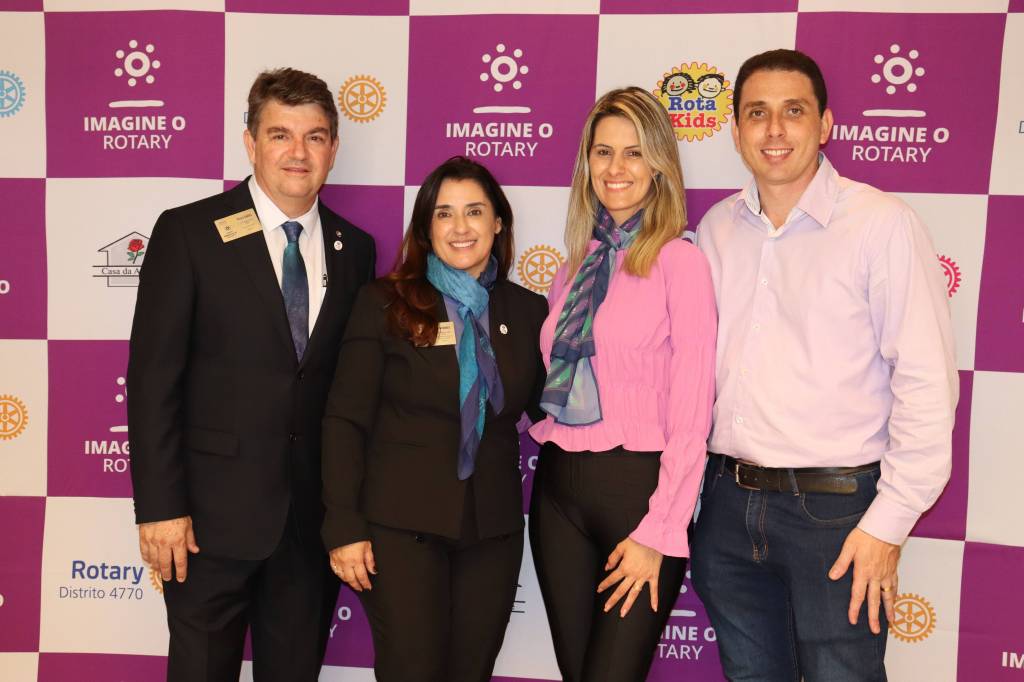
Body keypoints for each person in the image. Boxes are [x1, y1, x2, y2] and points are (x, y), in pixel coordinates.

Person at [692, 49, 958, 681]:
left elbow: (926, 381)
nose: (774, 130)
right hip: (727, 507)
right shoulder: (716, 229)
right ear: (735, 130)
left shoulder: (881, 225)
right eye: (756, 113)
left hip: (836, 514)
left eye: (793, 111)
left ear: (826, 124)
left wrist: (887, 525)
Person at [127, 67, 376, 681]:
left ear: (333, 148)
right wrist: (160, 508)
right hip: (204, 527)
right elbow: (153, 381)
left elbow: (348, 392)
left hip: (309, 529)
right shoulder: (188, 233)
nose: (298, 153)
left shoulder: (356, 250)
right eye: (279, 134)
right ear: (250, 142)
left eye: (315, 137)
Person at [320, 156, 548, 682]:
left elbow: (550, 409)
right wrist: (343, 526)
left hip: (491, 532)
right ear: (426, 227)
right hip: (400, 530)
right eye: (444, 213)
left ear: (499, 222)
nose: (460, 227)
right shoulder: (384, 302)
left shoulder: (528, 311)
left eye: (475, 211)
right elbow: (345, 420)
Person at [528, 87, 717, 682]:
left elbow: (693, 412)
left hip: (637, 495)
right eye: (603, 151)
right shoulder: (574, 265)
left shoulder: (680, 262)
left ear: (659, 165)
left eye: (634, 153)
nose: (616, 168)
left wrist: (659, 529)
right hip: (557, 493)